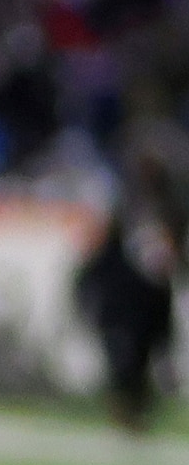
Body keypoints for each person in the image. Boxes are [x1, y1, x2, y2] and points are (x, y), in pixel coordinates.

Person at [83, 180, 177, 434]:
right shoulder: (114, 250)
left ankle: (134, 415)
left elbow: (161, 285)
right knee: (124, 366)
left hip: (145, 315)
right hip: (121, 316)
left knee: (140, 366)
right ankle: (123, 414)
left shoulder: (150, 238)